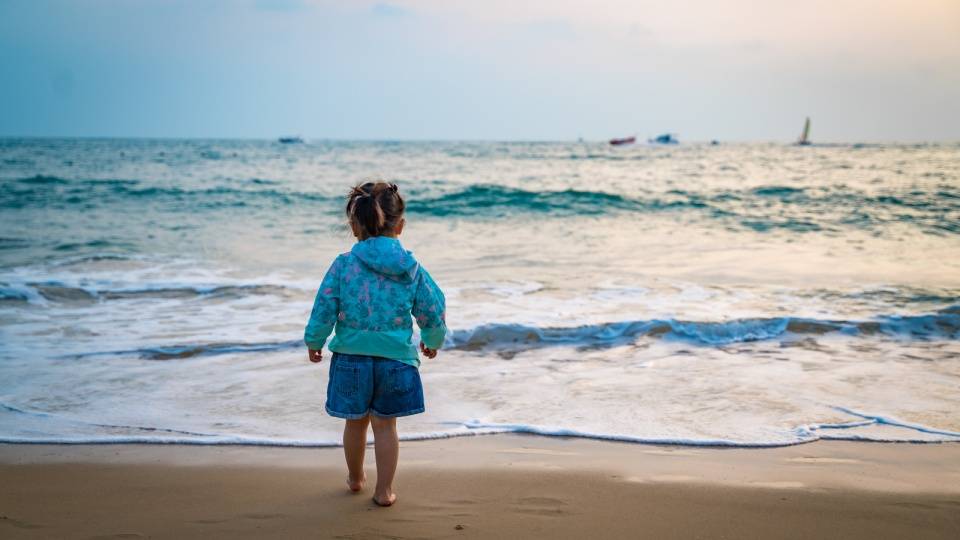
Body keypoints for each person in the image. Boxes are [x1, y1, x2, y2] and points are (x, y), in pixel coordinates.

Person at [304, 181, 447, 507]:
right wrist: (432, 340)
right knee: (385, 427)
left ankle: (355, 479)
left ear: (355, 227)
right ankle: (384, 492)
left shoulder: (343, 264)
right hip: (395, 359)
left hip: (351, 357)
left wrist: (315, 340)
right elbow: (432, 309)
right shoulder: (411, 268)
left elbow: (324, 305)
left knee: (355, 424)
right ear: (400, 225)